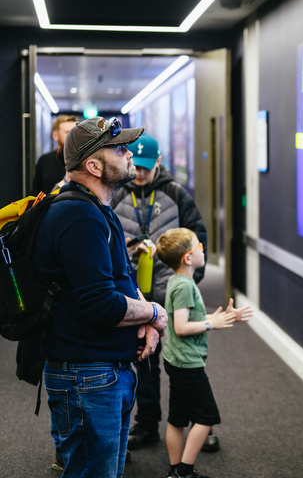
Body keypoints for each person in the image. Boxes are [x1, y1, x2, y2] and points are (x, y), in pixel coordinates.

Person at [35, 116, 168, 477]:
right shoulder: (78, 217)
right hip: (88, 379)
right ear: (93, 165)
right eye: (120, 148)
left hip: (106, 374)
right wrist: (156, 311)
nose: (129, 154)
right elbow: (100, 304)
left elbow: (121, 279)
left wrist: (150, 321)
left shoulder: (97, 210)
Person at [110, 134, 216, 451]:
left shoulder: (175, 193)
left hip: (173, 291)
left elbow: (198, 238)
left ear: (158, 162)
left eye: (146, 167)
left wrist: (190, 284)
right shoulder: (117, 193)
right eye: (136, 167)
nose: (140, 174)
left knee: (187, 361)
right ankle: (148, 424)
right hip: (136, 294)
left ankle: (200, 423)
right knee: (146, 360)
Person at [155, 228, 253, 478]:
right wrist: (212, 324)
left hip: (176, 360)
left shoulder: (179, 281)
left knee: (177, 418)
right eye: (198, 245)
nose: (203, 247)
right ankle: (185, 472)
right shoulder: (185, 287)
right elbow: (181, 327)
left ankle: (175, 470)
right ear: (188, 258)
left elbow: (190, 318)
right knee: (207, 416)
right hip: (187, 364)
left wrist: (224, 317)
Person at [31, 114, 77, 195]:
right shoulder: (44, 160)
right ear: (55, 135)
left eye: (75, 132)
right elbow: (35, 192)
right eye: (68, 132)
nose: (73, 136)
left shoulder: (82, 160)